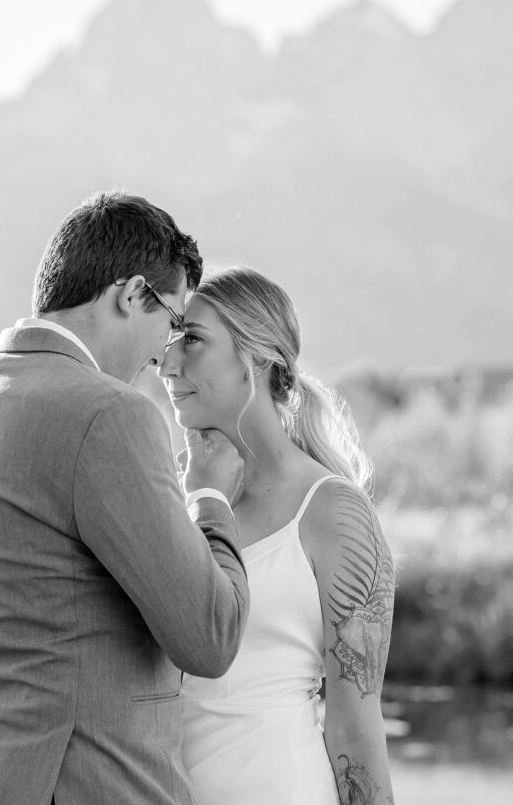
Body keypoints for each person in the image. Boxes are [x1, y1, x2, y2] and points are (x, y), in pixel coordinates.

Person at [0, 191, 250, 805]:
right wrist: (209, 499)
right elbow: (210, 636)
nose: (161, 355)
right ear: (130, 294)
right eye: (170, 322)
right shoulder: (112, 416)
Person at [160, 266, 395, 805]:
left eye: (192, 340)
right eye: (169, 340)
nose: (166, 362)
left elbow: (356, 725)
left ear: (259, 358)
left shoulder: (333, 511)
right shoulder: (170, 497)